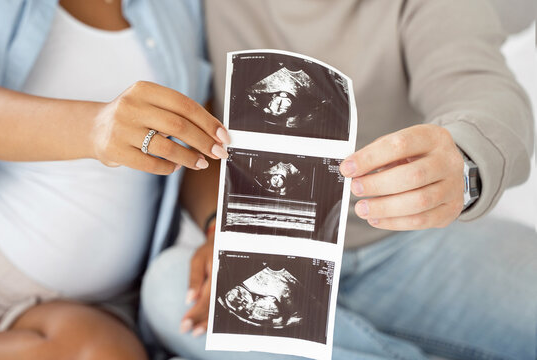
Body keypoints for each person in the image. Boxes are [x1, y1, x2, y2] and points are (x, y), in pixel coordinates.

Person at [141, 0, 537, 359]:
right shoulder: (200, 8)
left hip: (410, 241)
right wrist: (217, 225)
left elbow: (484, 89)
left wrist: (462, 159)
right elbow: (194, 122)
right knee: (170, 290)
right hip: (270, 252)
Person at [0, 0, 226, 359]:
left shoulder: (186, 8)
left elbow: (202, 142)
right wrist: (93, 127)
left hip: (111, 310)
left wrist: (216, 228)